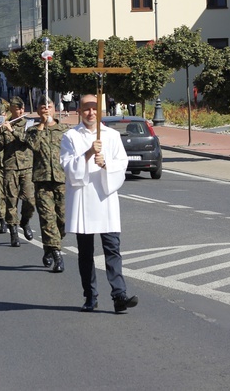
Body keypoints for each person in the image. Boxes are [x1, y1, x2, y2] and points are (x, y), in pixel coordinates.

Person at [60, 94, 137, 313]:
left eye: (94, 109)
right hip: (83, 199)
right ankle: (90, 296)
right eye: (86, 109)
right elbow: (68, 168)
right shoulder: (70, 137)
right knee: (85, 253)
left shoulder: (111, 136)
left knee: (113, 248)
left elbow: (121, 164)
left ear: (100, 111)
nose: (91, 113)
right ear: (79, 111)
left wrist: (106, 164)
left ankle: (119, 295)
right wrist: (88, 153)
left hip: (105, 198)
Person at [26, 95, 69, 272]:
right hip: (42, 181)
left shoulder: (65, 130)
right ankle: (57, 254)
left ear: (54, 109)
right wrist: (42, 125)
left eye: (49, 106)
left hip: (62, 180)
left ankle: (48, 247)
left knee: (62, 221)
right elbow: (34, 146)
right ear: (38, 110)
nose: (46, 109)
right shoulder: (33, 131)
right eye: (42, 107)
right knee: (47, 218)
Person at [0, 96, 35, 247]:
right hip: (10, 167)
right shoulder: (5, 125)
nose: (21, 111)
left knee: (30, 199)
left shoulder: (28, 124)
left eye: (22, 108)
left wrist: (12, 131)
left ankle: (25, 222)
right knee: (11, 200)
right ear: (11, 110)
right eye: (18, 108)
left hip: (27, 167)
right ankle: (13, 232)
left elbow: (28, 140)